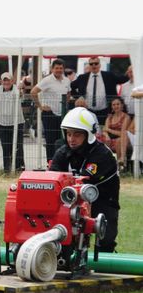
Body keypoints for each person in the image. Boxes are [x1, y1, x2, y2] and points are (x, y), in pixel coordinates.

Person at [50, 107, 119, 253]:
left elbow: (85, 180)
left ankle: (104, 261)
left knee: (105, 239)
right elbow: (52, 179)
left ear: (89, 135)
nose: (71, 139)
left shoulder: (103, 155)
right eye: (68, 134)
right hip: (71, 199)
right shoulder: (62, 152)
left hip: (103, 201)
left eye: (76, 135)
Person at [31, 58, 71, 162]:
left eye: (61, 68)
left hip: (62, 114)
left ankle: (61, 162)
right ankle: (50, 163)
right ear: (52, 69)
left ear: (63, 69)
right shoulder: (47, 80)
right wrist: (40, 106)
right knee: (50, 141)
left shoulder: (67, 80)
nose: (59, 70)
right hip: (49, 114)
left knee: (62, 140)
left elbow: (68, 93)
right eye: (56, 68)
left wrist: (65, 105)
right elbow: (33, 92)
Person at [70, 56, 129, 125]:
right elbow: (70, 87)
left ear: (100, 65)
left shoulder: (108, 75)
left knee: (103, 131)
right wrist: (78, 97)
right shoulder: (82, 77)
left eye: (96, 63)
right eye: (91, 64)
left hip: (105, 111)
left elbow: (122, 80)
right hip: (88, 110)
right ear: (89, 65)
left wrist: (130, 72)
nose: (94, 65)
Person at [103, 97, 131, 170]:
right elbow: (104, 130)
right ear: (111, 107)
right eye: (113, 105)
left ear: (122, 105)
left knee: (119, 140)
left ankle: (120, 165)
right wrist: (106, 136)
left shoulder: (126, 117)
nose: (116, 106)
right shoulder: (110, 117)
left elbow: (123, 133)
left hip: (125, 140)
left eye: (118, 104)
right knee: (102, 139)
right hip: (111, 140)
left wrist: (109, 130)